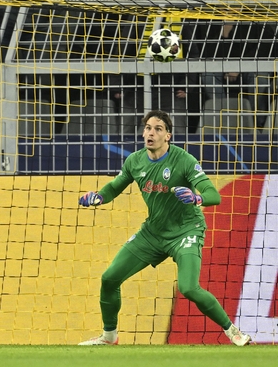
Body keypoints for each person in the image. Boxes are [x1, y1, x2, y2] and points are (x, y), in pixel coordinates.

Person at [77, 110, 252, 347]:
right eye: (148, 128)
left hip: (186, 231)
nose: (151, 133)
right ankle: (109, 337)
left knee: (188, 287)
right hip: (153, 233)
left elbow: (213, 195)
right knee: (109, 279)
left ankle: (233, 332)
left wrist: (195, 198)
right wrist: (98, 197)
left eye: (158, 129)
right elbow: (115, 187)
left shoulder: (184, 160)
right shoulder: (134, 161)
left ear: (168, 135)